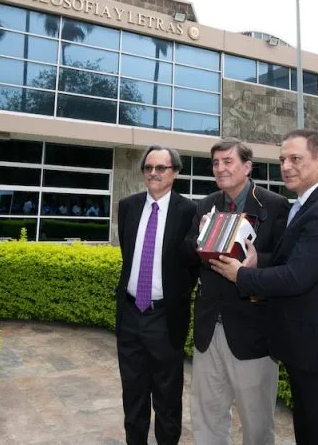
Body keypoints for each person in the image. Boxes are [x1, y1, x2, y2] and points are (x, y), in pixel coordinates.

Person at [210, 129, 318, 445]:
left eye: (295, 158)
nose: (286, 166)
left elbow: (297, 277)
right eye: (282, 159)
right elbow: (297, 259)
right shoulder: (306, 204)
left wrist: (241, 275)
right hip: (310, 353)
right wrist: (260, 262)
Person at [184, 138, 289, 445]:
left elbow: (287, 262)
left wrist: (258, 262)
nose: (220, 168)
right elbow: (186, 251)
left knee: (256, 423)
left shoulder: (274, 205)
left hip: (251, 331)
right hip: (208, 329)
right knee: (207, 417)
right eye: (215, 163)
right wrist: (199, 239)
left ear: (246, 167)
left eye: (228, 161)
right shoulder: (205, 205)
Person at [115, 145, 199, 444]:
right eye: (148, 167)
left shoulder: (189, 211)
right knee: (133, 394)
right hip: (130, 316)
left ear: (174, 173)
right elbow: (129, 255)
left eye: (160, 168)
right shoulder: (127, 206)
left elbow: (191, 265)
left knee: (167, 397)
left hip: (165, 318)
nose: (153, 173)